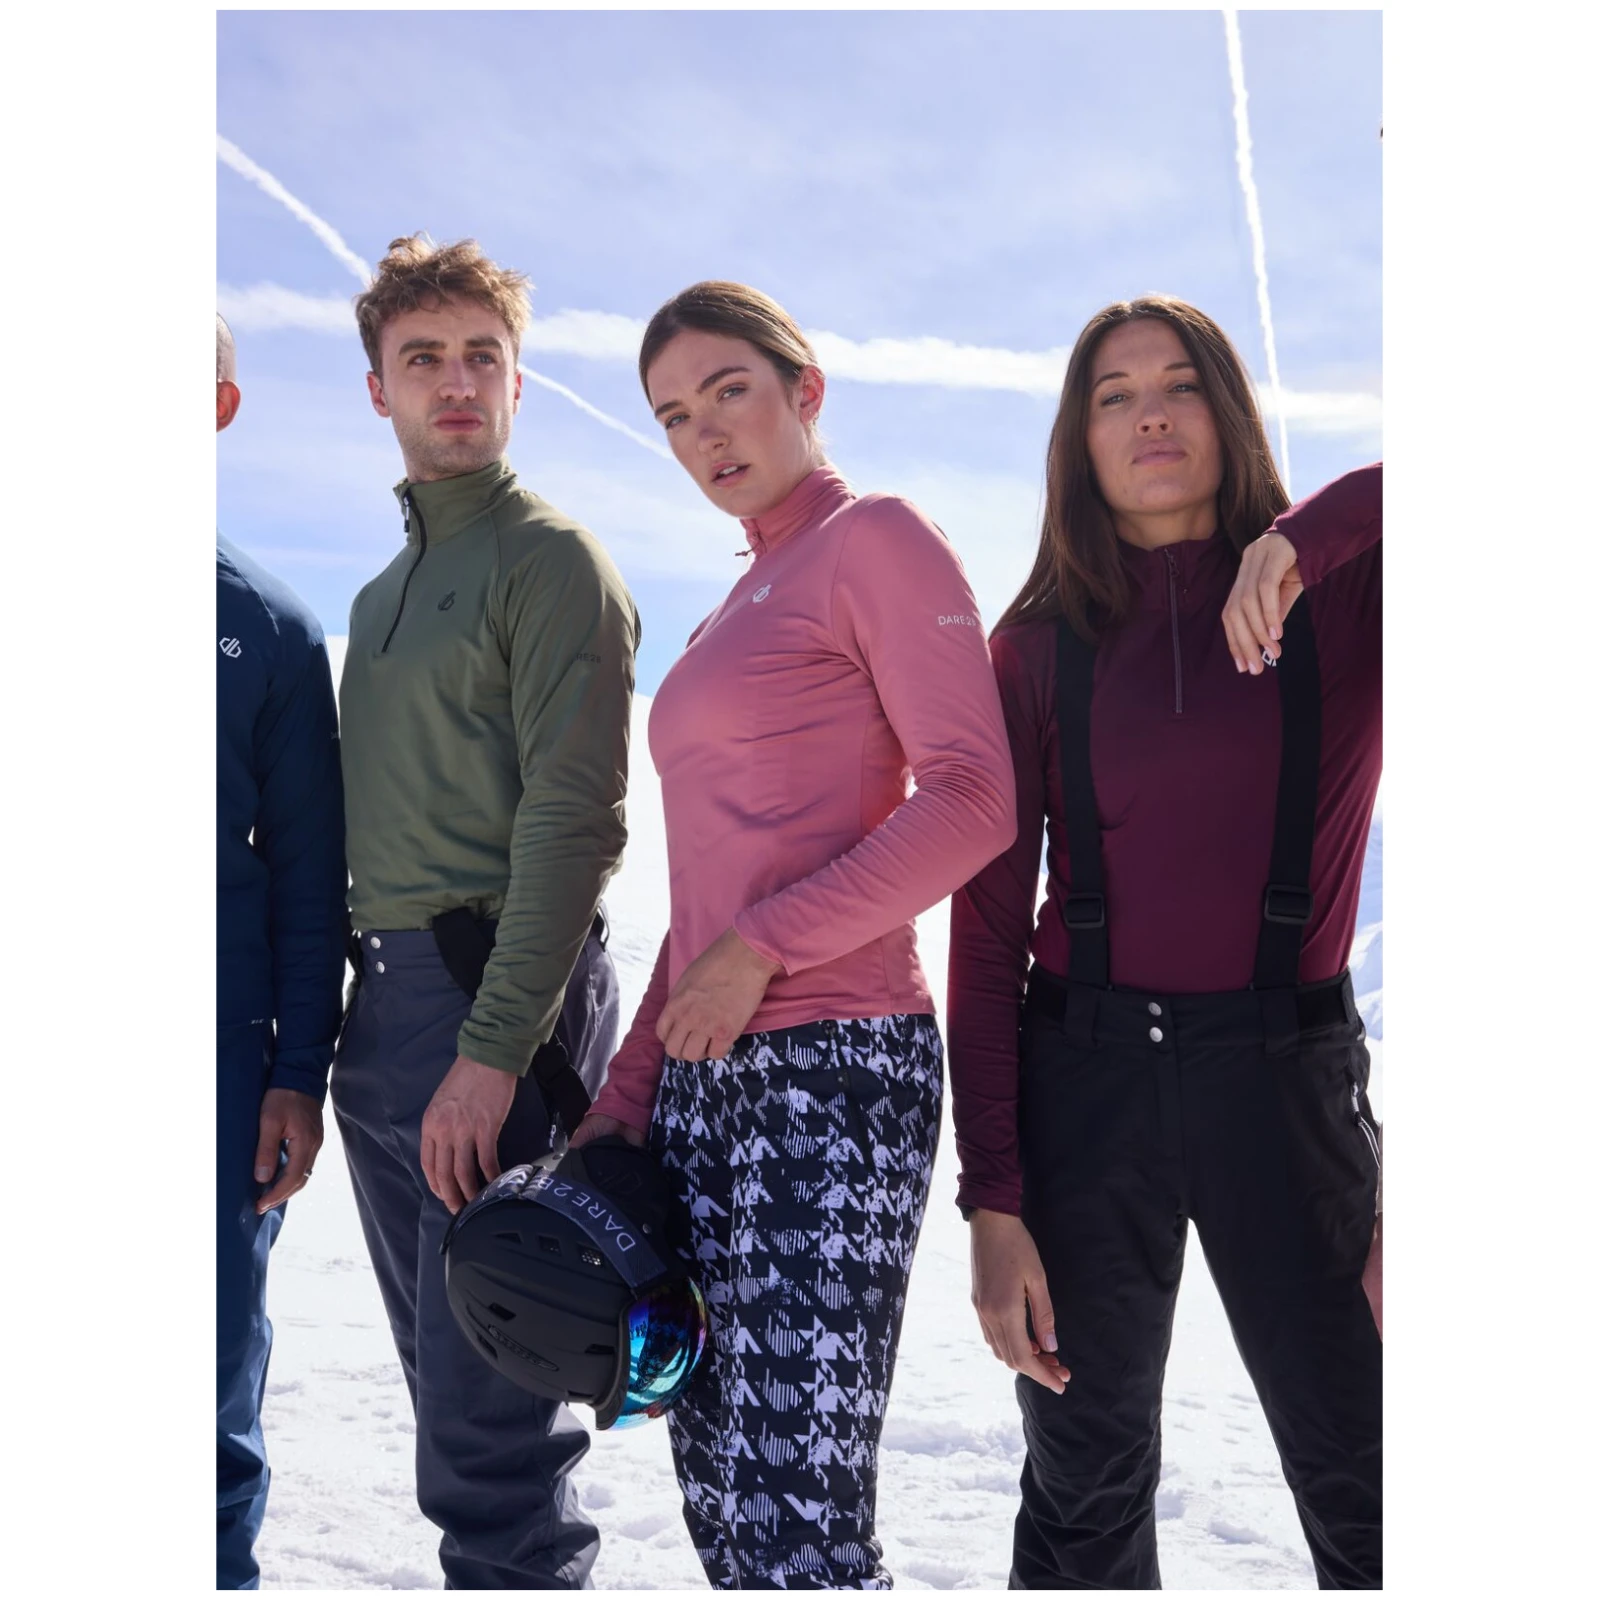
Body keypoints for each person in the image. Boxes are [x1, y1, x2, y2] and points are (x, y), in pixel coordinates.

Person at [571, 280, 1017, 1589]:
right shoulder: (728, 610)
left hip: (836, 1064)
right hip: (705, 1084)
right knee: (720, 1496)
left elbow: (975, 800)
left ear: (804, 389)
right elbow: (704, 913)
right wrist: (626, 1097)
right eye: (672, 415)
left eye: (729, 391)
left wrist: (768, 944)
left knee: (794, 1519)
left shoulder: (876, 538)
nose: (705, 432)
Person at [947, 294, 1382, 1589]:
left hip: (1286, 1081)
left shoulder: (1346, 601)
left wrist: (1300, 541)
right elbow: (985, 936)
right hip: (1087, 1087)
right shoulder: (1032, 651)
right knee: (1081, 1489)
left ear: (1229, 413)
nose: (1149, 415)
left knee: (1380, 1475)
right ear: (1078, 441)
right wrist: (993, 1201)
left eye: (1180, 383)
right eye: (1114, 394)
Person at [332, 235, 640, 1589]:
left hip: (495, 1000)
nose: (455, 383)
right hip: (384, 1015)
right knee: (451, 1410)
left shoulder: (550, 561)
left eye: (481, 357)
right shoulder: (377, 601)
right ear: (378, 389)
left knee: (494, 1440)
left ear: (519, 381)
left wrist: (493, 1049)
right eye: (423, 359)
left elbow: (575, 825)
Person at [215, 312, 348, 1589]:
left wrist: (296, 1073)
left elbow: (311, 881)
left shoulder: (267, 626)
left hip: (216, 1062)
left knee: (204, 1377)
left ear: (219, 406)